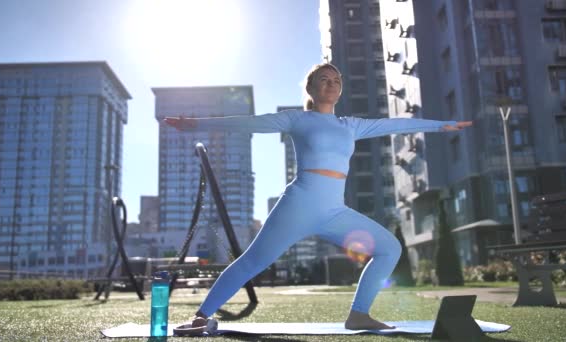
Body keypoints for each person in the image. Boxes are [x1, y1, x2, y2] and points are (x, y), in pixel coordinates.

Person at [164, 63, 472, 335]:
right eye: (324, 79)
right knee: (254, 262)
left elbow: (397, 124)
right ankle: (201, 316)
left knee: (389, 248)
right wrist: (197, 123)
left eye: (336, 80)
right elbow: (249, 122)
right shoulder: (297, 119)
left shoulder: (351, 126)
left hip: (334, 211)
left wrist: (442, 126)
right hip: (299, 204)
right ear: (311, 88)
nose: (331, 84)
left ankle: (359, 314)